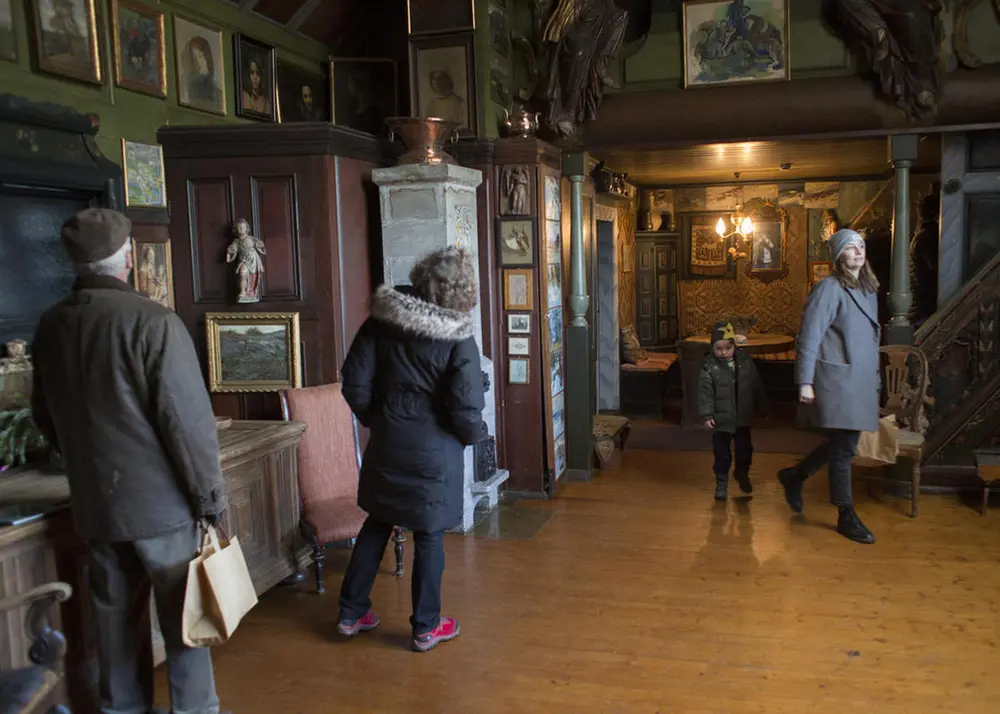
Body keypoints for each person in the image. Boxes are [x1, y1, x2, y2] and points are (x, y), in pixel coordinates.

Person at [31, 208, 230, 714]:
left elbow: (45, 415)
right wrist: (209, 498)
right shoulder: (153, 321)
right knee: (187, 622)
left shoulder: (51, 324)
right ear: (127, 258)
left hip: (96, 505)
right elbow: (186, 424)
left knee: (114, 624)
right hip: (163, 507)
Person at [337, 246, 485, 653]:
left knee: (377, 522)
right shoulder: (458, 336)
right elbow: (466, 406)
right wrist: (471, 436)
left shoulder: (381, 320)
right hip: (435, 451)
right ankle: (426, 627)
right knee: (429, 533)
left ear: (421, 276)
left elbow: (353, 382)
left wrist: (378, 419)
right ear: (463, 291)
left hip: (388, 441)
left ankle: (350, 613)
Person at [778, 229, 881, 544]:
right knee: (845, 448)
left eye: (861, 246)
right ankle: (845, 514)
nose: (858, 251)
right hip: (838, 381)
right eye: (850, 247)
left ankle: (795, 476)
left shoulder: (868, 289)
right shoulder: (829, 288)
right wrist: (805, 381)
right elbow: (809, 336)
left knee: (842, 444)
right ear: (838, 256)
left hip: (859, 379)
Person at [697, 321, 767, 500]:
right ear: (712, 348)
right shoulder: (709, 367)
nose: (723, 352)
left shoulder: (745, 362)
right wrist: (707, 415)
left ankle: (742, 473)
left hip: (742, 418)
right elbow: (705, 393)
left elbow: (755, 385)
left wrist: (762, 407)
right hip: (721, 421)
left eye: (727, 348)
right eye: (718, 348)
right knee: (722, 455)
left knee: (745, 450)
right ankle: (721, 483)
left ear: (734, 346)